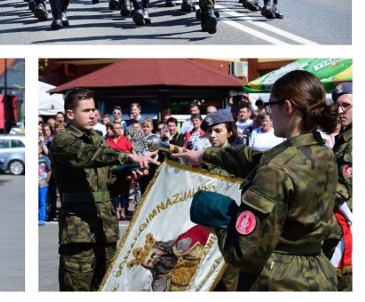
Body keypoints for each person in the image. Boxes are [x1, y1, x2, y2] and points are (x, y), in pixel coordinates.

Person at [178, 70, 338, 290]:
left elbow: (245, 253)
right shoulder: (322, 153)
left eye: (271, 107)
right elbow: (255, 160)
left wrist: (219, 225)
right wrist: (204, 154)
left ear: (288, 107)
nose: (269, 114)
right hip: (318, 272)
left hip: (278, 280)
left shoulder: (276, 169)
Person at [51, 88, 158, 290]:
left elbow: (109, 186)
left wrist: (125, 178)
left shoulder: (98, 140)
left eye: (94, 109)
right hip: (79, 233)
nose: (93, 114)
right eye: (86, 110)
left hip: (105, 230)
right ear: (70, 114)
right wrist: (126, 156)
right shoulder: (63, 141)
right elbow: (84, 155)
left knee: (107, 288)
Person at [326, 82, 352, 290]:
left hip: (347, 221)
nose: (340, 110)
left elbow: (344, 187)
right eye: (338, 106)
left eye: (346, 105)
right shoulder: (344, 138)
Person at [38, 139, 51, 226]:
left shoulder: (44, 158)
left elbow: (49, 170)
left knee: (42, 201)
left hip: (42, 183)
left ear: (40, 149)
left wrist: (46, 181)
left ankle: (41, 218)